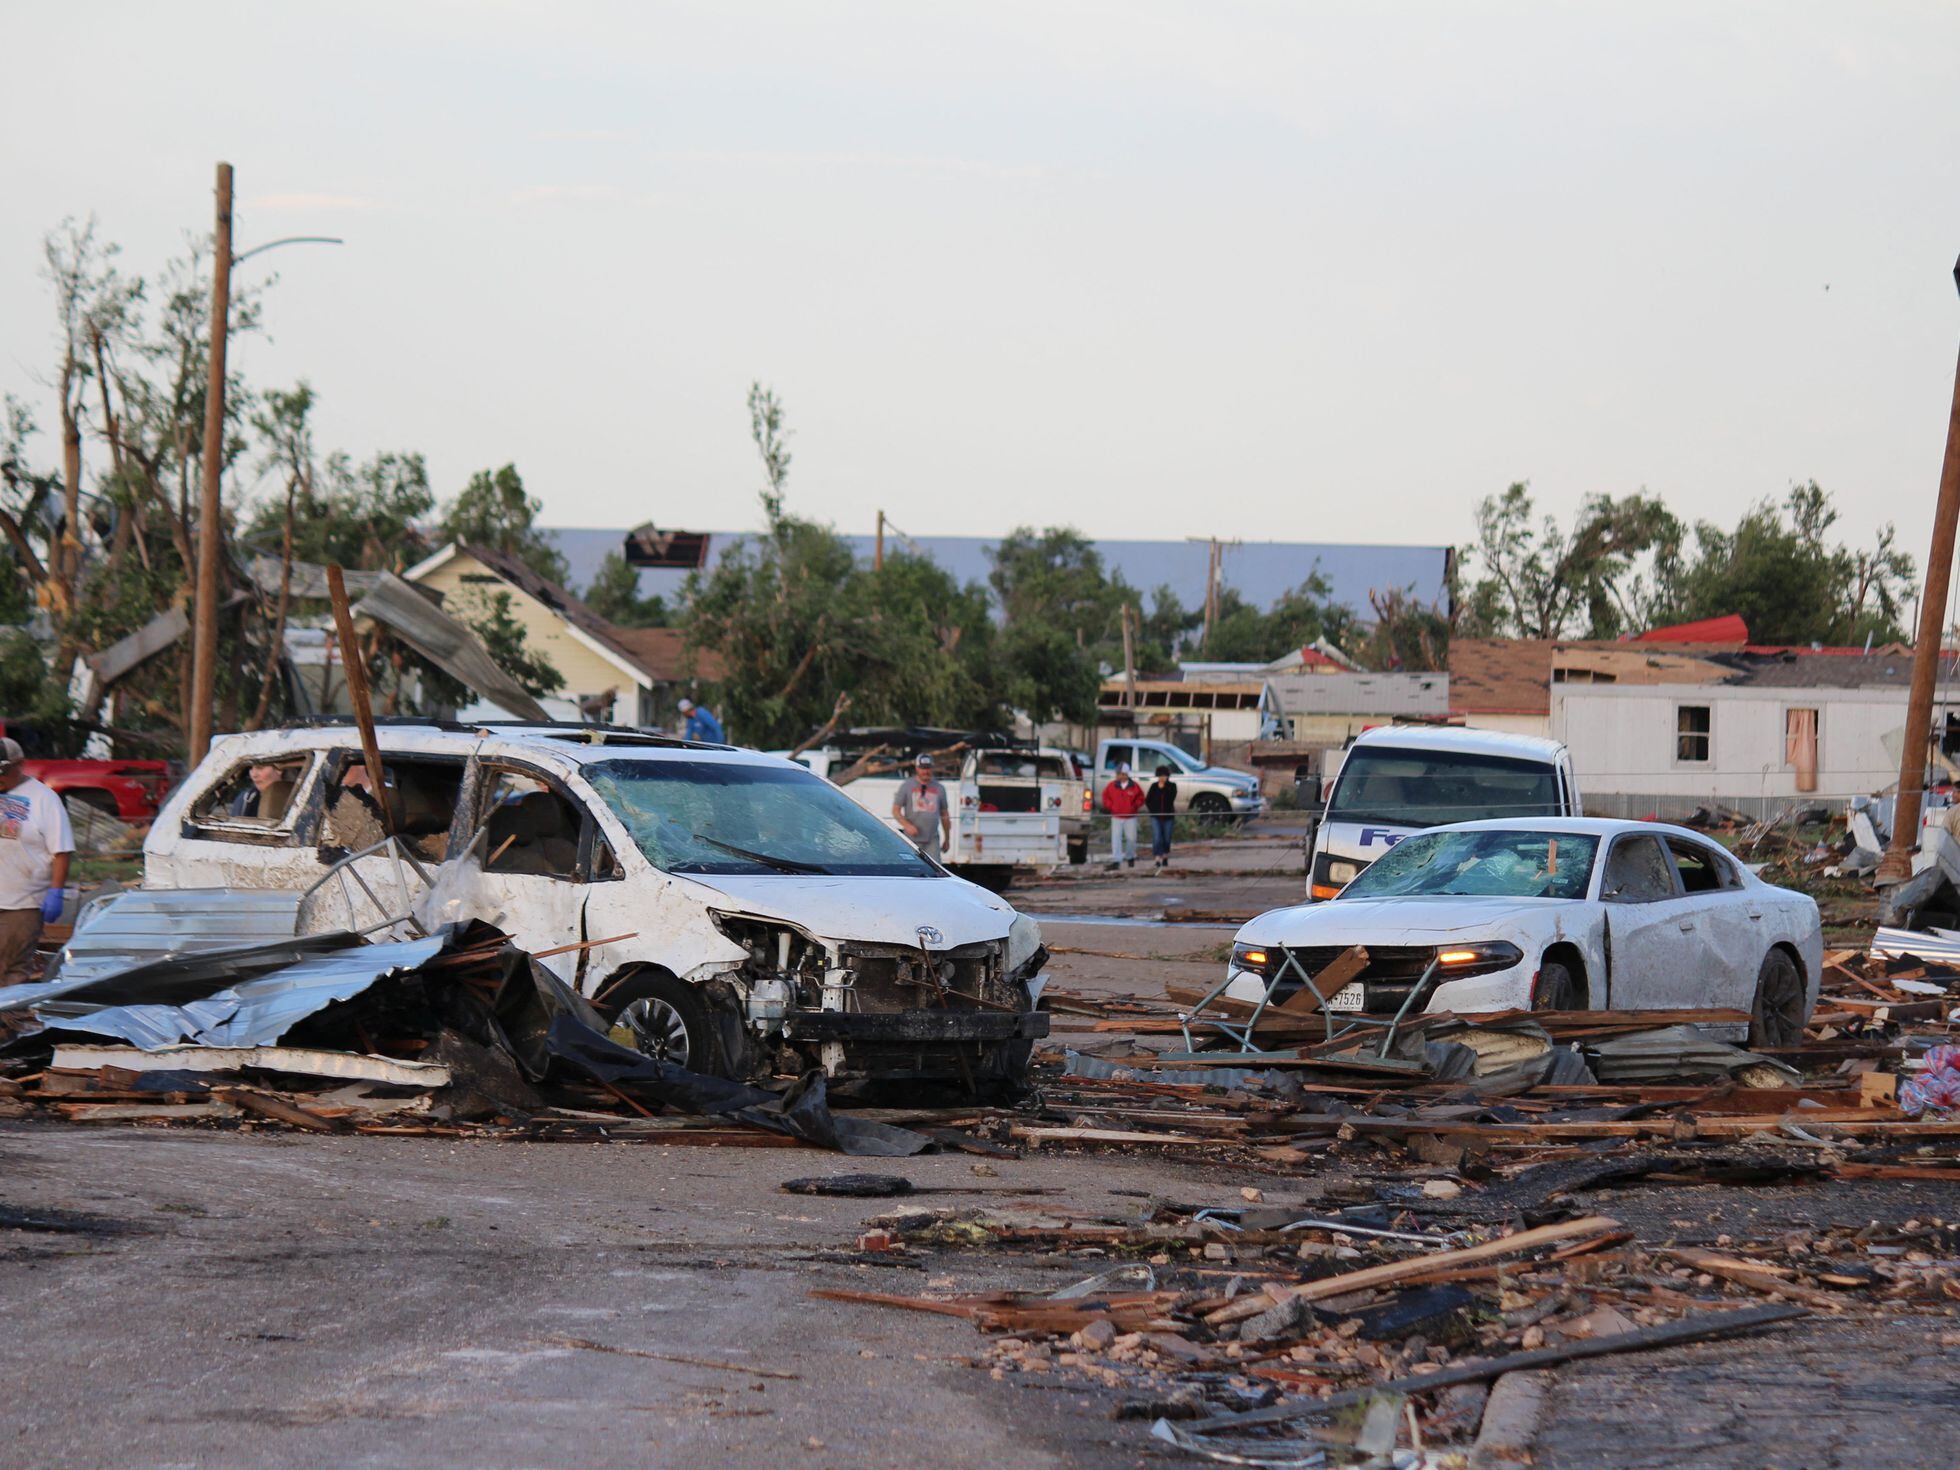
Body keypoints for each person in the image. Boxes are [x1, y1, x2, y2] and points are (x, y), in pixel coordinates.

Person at [0, 736, 75, 984]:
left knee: (12, 967)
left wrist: (55, 891)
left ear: (19, 764)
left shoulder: (44, 799)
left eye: (3, 771)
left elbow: (61, 851)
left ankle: (9, 1021)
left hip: (23, 902)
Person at [892, 753, 951, 863]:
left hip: (932, 839)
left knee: (935, 871)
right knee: (910, 868)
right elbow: (895, 811)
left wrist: (947, 839)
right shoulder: (907, 786)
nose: (926, 771)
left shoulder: (940, 788)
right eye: (923, 768)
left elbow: (945, 814)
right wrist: (907, 825)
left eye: (928, 768)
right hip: (911, 840)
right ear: (917, 768)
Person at [1101, 761, 1146, 869]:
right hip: (1116, 817)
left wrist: (1134, 807)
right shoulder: (1112, 786)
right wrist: (1111, 806)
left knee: (1131, 839)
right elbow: (1105, 796)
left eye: (1119, 773)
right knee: (1116, 839)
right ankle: (1116, 860)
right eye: (1117, 774)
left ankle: (1130, 857)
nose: (1117, 776)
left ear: (1125, 774)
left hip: (1130, 817)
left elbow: (1141, 798)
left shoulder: (1134, 786)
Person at [1145, 763, 1179, 870]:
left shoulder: (1172, 786)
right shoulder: (1154, 786)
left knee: (1166, 837)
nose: (1162, 778)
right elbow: (1148, 800)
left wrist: (1163, 788)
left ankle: (1165, 856)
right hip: (1156, 816)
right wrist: (1152, 811)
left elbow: (1171, 798)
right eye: (1160, 776)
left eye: (1164, 776)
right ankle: (1157, 858)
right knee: (1157, 837)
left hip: (1168, 816)